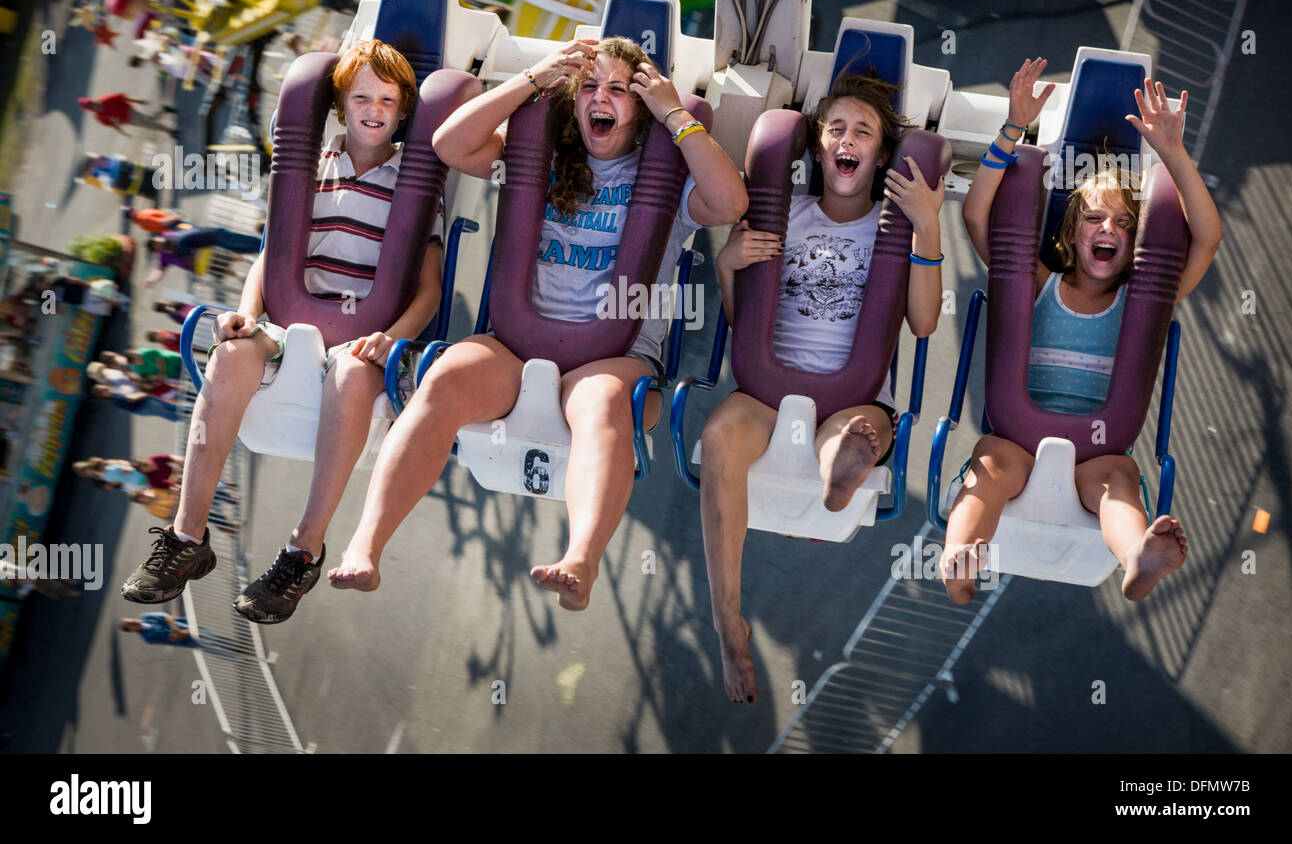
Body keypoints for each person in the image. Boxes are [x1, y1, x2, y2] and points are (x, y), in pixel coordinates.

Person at [328, 35, 748, 611]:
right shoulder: (538, 162)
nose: (603, 98)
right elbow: (450, 143)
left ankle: (580, 559)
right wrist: (535, 77)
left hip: (615, 357)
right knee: (444, 379)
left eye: (621, 90)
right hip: (515, 347)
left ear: (642, 103)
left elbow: (728, 204)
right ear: (574, 100)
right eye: (592, 87)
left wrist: (674, 111)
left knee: (602, 406)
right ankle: (364, 547)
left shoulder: (665, 180)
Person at [119, 39, 445, 624]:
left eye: (388, 100)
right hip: (291, 320)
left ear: (403, 110)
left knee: (349, 373)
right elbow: (272, 255)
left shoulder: (415, 179)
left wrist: (393, 337)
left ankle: (304, 549)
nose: (374, 109)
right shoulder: (312, 165)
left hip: (361, 337)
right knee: (230, 356)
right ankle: (187, 537)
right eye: (361, 96)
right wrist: (246, 313)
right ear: (340, 104)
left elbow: (429, 289)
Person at [698, 72, 944, 704]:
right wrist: (728, 264)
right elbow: (737, 319)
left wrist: (927, 228)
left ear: (881, 155)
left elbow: (922, 322)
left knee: (851, 433)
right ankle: (728, 618)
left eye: (863, 131)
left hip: (852, 395)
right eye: (835, 127)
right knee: (720, 437)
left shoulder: (893, 229)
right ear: (816, 146)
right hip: (768, 389)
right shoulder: (788, 214)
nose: (847, 138)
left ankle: (843, 466)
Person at [944, 59, 1222, 605]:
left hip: (1099, 448)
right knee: (991, 467)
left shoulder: (1145, 299)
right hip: (1017, 440)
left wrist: (1172, 153)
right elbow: (978, 215)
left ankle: (1136, 557)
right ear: (1071, 231)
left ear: (1136, 243)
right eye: (1095, 218)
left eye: (1124, 223)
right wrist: (1013, 128)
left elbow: (1206, 238)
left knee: (1118, 484)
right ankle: (960, 556)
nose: (1108, 229)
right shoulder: (1037, 282)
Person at [78, 93, 172, 136]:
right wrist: (122, 131)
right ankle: (163, 110)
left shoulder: (106, 100)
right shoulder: (99, 117)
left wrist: (138, 101)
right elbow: (112, 125)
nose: (90, 108)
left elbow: (123, 98)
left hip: (130, 112)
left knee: (149, 124)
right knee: (150, 120)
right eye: (88, 108)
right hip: (127, 121)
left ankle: (169, 130)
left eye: (89, 105)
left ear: (91, 102)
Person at [120, 612, 200, 647]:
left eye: (130, 620)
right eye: (130, 624)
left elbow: (165, 616)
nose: (132, 621)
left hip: (188, 624)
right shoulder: (148, 638)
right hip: (190, 640)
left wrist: (176, 630)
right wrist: (188, 632)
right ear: (131, 630)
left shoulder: (145, 616)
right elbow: (174, 637)